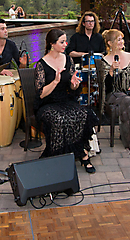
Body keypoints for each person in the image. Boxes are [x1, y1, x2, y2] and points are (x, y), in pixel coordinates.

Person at [35, 29, 98, 173]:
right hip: (47, 104)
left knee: (83, 114)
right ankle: (58, 156)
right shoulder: (41, 65)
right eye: (62, 42)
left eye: (65, 41)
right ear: (52, 44)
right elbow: (41, 94)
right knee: (59, 119)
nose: (66, 44)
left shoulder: (67, 59)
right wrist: (55, 82)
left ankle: (82, 153)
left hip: (65, 99)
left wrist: (74, 83)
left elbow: (71, 87)